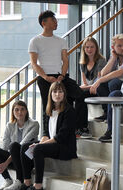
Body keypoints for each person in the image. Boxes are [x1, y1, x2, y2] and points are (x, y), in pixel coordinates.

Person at [28, 10, 88, 138]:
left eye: (56, 20)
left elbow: (65, 60)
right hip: (45, 78)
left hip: (60, 76)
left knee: (79, 95)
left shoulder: (61, 41)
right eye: (53, 20)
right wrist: (45, 77)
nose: (56, 22)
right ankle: (46, 134)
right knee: (48, 105)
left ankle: (80, 128)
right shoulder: (35, 41)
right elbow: (34, 63)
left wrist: (62, 75)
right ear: (44, 23)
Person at [18, 82, 77, 190]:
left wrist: (39, 145)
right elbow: (45, 133)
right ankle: (27, 182)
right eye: (55, 91)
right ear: (50, 94)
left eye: (60, 91)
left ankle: (38, 187)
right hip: (52, 144)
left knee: (38, 149)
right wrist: (40, 142)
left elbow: (60, 137)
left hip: (65, 147)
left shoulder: (69, 111)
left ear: (64, 94)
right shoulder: (49, 110)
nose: (57, 94)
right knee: (25, 146)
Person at [0, 100, 39, 190]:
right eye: (16, 110)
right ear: (13, 112)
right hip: (14, 159)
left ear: (26, 111)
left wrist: (5, 163)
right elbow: (4, 146)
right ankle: (7, 179)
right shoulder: (10, 125)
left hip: (27, 160)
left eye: (22, 109)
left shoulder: (34, 124)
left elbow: (21, 146)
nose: (19, 112)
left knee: (14, 145)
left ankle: (19, 181)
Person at [88, 34, 123, 122]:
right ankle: (107, 112)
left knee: (112, 83)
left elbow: (120, 72)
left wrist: (98, 80)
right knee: (101, 85)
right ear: (113, 47)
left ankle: (115, 113)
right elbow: (103, 74)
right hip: (118, 83)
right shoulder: (115, 57)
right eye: (119, 46)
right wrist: (113, 58)